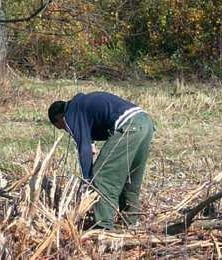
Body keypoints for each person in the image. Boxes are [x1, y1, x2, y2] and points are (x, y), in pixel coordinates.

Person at [48, 92, 155, 230]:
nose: (68, 130)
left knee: (101, 177)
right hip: (145, 123)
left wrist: (87, 180)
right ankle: (130, 225)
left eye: (63, 127)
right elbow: (89, 134)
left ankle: (103, 229)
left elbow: (84, 148)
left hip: (129, 126)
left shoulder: (70, 113)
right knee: (130, 179)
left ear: (58, 119)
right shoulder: (81, 106)